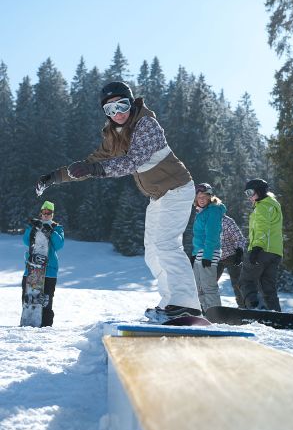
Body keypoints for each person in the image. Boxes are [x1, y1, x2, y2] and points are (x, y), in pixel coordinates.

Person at [36, 81, 201, 322]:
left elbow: (131, 162)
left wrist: (95, 168)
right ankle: (171, 302)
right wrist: (54, 177)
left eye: (121, 105)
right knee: (153, 252)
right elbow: (90, 163)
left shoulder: (147, 124)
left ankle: (186, 304)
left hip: (177, 188)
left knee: (166, 245)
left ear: (132, 103)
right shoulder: (113, 134)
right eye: (110, 110)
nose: (118, 114)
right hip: (158, 196)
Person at [240, 179, 283, 312]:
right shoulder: (273, 205)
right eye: (246, 193)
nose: (249, 196)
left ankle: (255, 309)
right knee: (268, 287)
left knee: (245, 281)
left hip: (261, 251)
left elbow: (262, 228)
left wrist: (256, 247)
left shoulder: (262, 207)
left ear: (259, 190)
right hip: (275, 252)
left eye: (250, 192)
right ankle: (275, 314)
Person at [22, 201, 64, 327]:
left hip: (49, 271)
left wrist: (50, 232)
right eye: (44, 212)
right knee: (29, 298)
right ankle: (27, 323)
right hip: (32, 269)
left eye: (49, 213)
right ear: (41, 213)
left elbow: (59, 245)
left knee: (46, 300)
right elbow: (25, 241)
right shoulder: (36, 225)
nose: (46, 215)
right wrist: (33, 228)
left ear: (52, 214)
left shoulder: (57, 227)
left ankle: (45, 327)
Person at [191, 183, 226, 313]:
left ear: (210, 197)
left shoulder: (213, 210)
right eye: (199, 196)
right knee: (197, 287)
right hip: (200, 252)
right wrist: (195, 254)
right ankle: (204, 313)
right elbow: (199, 236)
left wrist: (207, 255)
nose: (201, 198)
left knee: (208, 287)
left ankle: (215, 314)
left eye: (205, 196)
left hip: (209, 253)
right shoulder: (202, 212)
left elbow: (212, 234)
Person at [216, 215, 246, 307]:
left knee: (237, 283)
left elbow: (239, 238)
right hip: (215, 257)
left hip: (231, 255)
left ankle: (243, 307)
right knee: (209, 283)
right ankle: (211, 307)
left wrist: (239, 251)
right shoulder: (207, 220)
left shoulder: (227, 221)